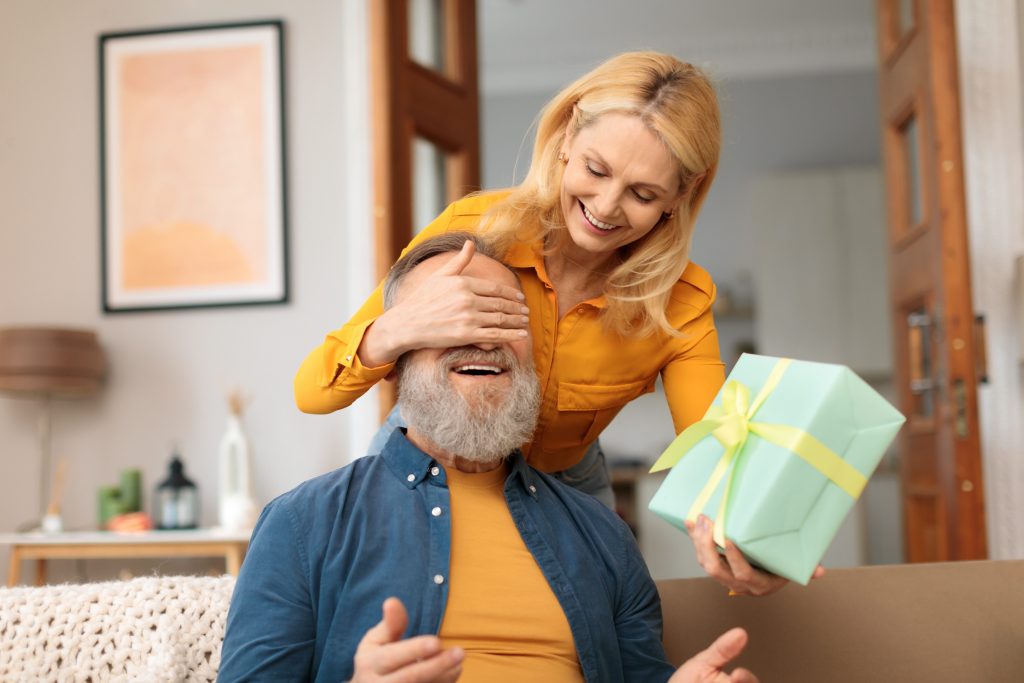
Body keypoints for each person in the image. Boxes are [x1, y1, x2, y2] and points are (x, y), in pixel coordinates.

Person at [294, 51, 793, 596]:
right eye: (595, 170)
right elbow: (312, 394)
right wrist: (402, 325)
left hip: (567, 481)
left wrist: (738, 538)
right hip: (430, 461)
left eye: (643, 194)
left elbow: (710, 452)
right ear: (566, 139)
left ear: (682, 194)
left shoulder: (680, 301)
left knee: (603, 623)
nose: (605, 206)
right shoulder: (474, 231)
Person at [222, 235, 757, 682]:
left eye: (505, 318)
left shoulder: (604, 536)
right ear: (393, 359)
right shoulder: (302, 524)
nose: (482, 337)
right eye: (448, 316)